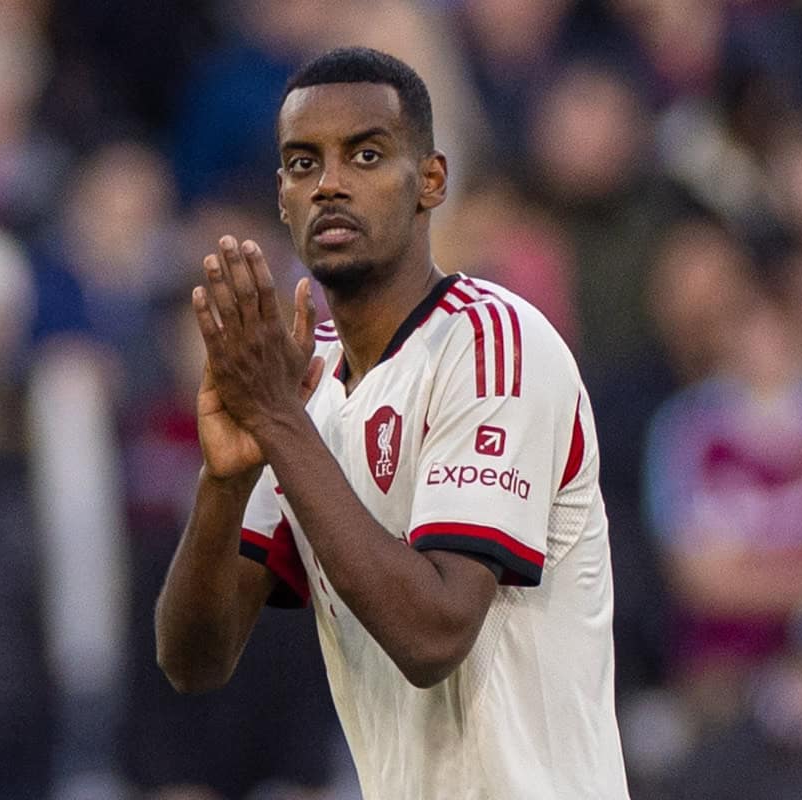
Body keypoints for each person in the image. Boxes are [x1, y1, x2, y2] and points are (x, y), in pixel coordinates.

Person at [155, 47, 630, 798]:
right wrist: (224, 478)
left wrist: (279, 423)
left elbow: (433, 633)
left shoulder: (494, 347)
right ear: (282, 197)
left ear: (431, 180)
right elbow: (195, 661)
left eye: (366, 154)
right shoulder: (301, 383)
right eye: (302, 164)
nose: (331, 183)